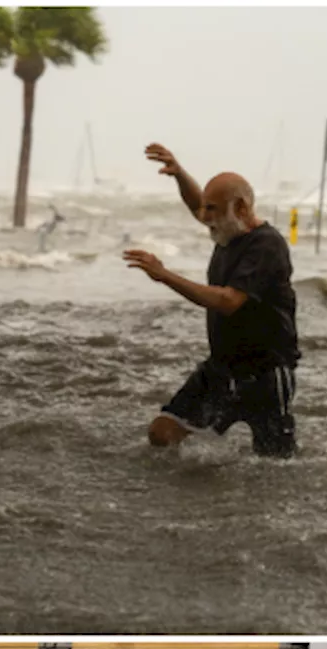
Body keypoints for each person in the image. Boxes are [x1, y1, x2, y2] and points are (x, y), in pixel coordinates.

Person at [124, 143, 299, 458]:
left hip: (266, 372)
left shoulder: (266, 246)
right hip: (221, 368)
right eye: (206, 210)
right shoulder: (225, 231)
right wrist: (179, 174)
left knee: (274, 465)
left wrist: (164, 275)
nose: (205, 218)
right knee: (162, 434)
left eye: (213, 210)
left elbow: (228, 300)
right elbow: (198, 205)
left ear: (242, 208)